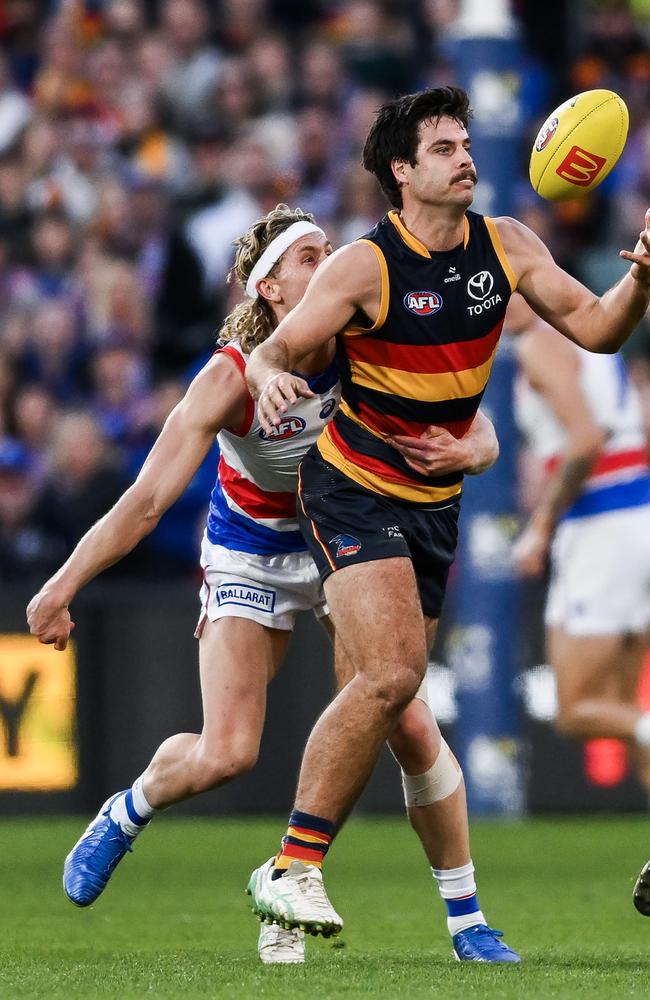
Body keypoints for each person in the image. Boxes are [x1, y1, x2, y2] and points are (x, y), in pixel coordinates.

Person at [26, 204, 508, 965]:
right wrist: (61, 586)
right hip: (251, 551)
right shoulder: (230, 376)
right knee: (227, 752)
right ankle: (130, 809)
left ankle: (465, 920)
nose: (334, 261)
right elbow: (147, 501)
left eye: (330, 248)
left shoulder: (366, 339)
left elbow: (472, 419)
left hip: (347, 540)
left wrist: (475, 451)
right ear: (272, 290)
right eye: (310, 256)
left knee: (407, 720)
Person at [244, 86, 650, 942]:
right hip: (352, 486)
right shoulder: (363, 264)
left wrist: (643, 278)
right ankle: (293, 865)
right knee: (392, 678)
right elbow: (276, 345)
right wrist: (269, 374)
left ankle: (395, 916)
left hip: (434, 504)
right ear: (402, 171)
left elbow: (599, 327)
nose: (466, 158)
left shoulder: (507, 245)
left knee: (385, 698)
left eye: (467, 144)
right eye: (443, 148)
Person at [510, 294, 650, 789]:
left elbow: (585, 439)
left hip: (600, 529)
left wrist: (542, 525)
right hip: (639, 512)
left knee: (575, 708)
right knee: (626, 706)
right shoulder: (591, 333)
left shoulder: (539, 343)